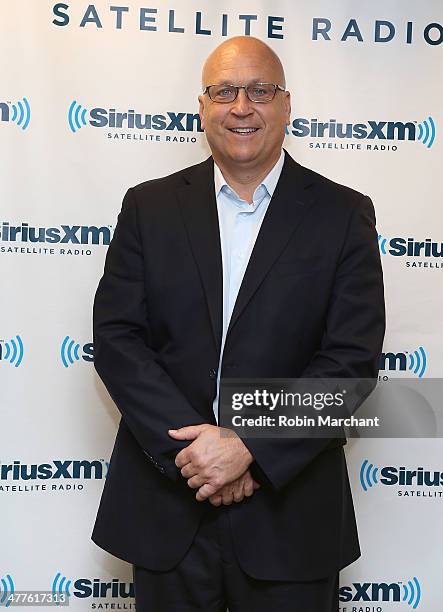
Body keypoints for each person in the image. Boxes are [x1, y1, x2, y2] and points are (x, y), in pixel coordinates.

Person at [91, 36, 385, 612]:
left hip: (291, 515)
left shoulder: (343, 214)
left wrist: (250, 443)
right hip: (167, 506)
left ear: (286, 104)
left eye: (259, 91)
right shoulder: (148, 208)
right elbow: (119, 340)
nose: (241, 107)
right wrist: (198, 452)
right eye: (224, 91)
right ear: (203, 106)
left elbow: (350, 362)